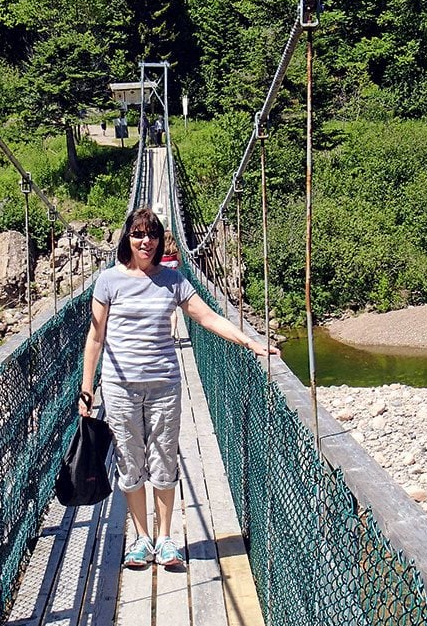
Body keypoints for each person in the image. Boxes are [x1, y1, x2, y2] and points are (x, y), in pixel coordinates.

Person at [79, 207, 279, 568]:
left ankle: (165, 539)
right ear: (128, 238)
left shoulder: (173, 280)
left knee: (164, 460)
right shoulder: (108, 280)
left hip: (164, 386)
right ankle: (141, 539)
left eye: (152, 235)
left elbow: (206, 316)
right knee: (129, 462)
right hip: (119, 386)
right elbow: (95, 337)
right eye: (139, 234)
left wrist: (249, 341)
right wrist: (86, 388)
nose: (146, 241)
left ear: (159, 240)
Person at [160, 231, 182, 338]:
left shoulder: (159, 253)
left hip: (160, 284)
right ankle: (173, 333)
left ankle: (162, 332)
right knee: (173, 310)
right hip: (174, 284)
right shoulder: (176, 252)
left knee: (161, 309)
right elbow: (180, 263)